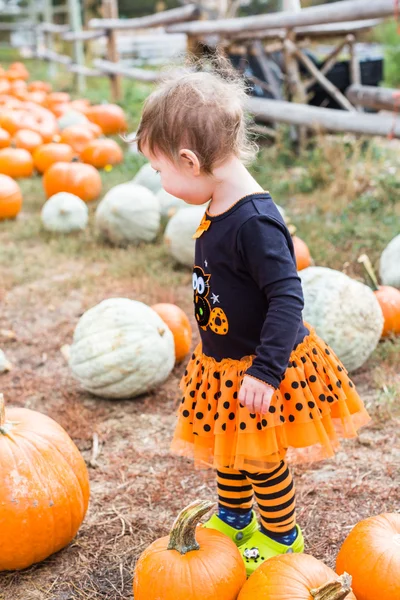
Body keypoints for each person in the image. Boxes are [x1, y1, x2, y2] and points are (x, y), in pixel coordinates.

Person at [135, 59, 371, 576]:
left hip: (260, 366)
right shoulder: (219, 204)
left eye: (160, 170)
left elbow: (288, 298)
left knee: (262, 458)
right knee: (229, 447)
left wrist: (266, 370)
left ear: (189, 160)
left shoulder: (256, 221)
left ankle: (282, 535)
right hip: (223, 361)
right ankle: (234, 517)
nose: (160, 181)